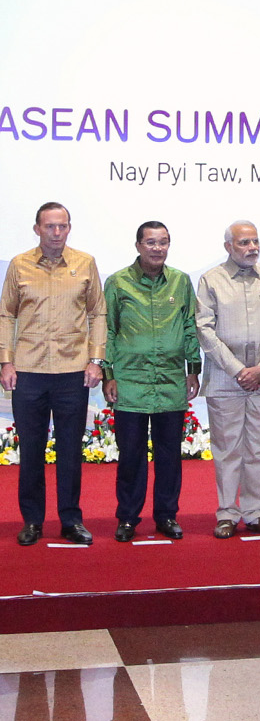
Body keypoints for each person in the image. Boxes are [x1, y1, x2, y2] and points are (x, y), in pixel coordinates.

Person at [0, 203, 105, 546]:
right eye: (50, 226)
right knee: (31, 450)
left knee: (71, 451)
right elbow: (6, 316)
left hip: (73, 372)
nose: (56, 232)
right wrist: (6, 362)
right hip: (28, 372)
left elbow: (98, 315)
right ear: (37, 229)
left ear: (69, 228)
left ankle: (71, 520)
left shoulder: (85, 263)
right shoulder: (19, 265)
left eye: (62, 226)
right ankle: (32, 521)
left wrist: (96, 360)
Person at [197, 220, 260, 538]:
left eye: (255, 241)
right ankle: (227, 514)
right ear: (228, 246)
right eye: (244, 243)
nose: (252, 248)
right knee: (227, 448)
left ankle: (255, 513)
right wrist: (238, 369)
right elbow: (205, 330)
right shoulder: (211, 280)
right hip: (227, 379)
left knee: (259, 447)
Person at [103, 221, 199, 542]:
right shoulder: (118, 283)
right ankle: (128, 517)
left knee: (169, 454)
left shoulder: (181, 282)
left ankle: (167, 515)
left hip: (171, 381)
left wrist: (193, 368)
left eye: (163, 242)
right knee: (130, 455)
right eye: (150, 242)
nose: (157, 248)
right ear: (138, 246)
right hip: (130, 382)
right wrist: (109, 374)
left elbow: (189, 327)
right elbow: (109, 331)